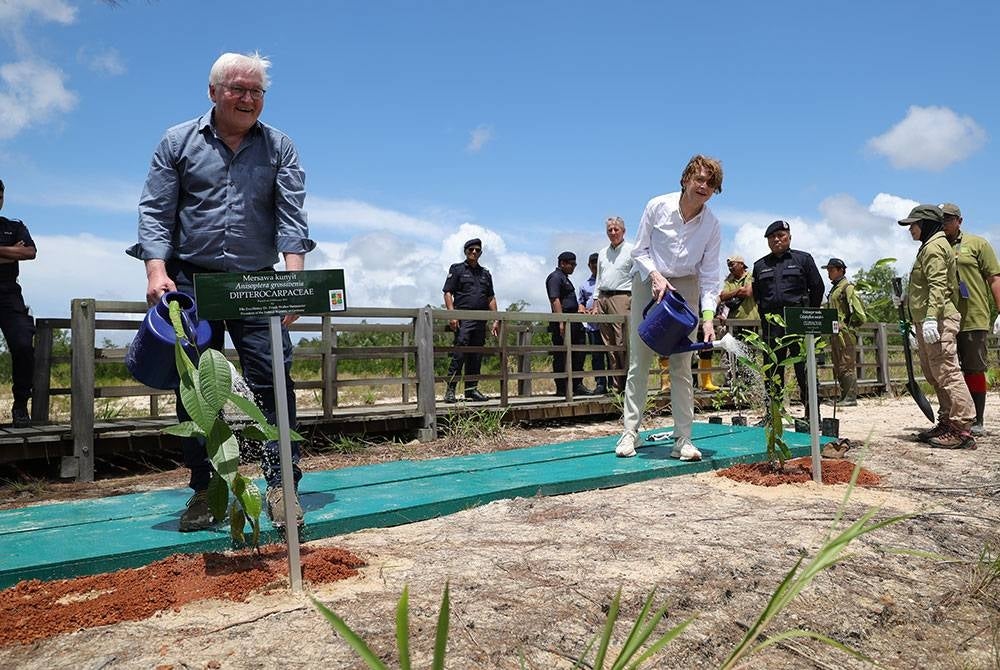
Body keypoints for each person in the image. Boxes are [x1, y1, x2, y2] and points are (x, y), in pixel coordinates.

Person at [127, 52, 315, 531]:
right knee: (196, 389)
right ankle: (205, 490)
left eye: (257, 91)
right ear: (213, 92)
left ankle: (281, 486)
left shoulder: (279, 147)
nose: (249, 99)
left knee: (274, 378)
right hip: (192, 280)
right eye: (238, 89)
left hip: (256, 280)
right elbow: (155, 210)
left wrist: (294, 279)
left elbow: (292, 219)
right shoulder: (177, 142)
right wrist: (155, 270)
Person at [615, 155, 723, 460]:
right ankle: (629, 433)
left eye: (711, 183)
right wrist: (655, 276)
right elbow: (638, 251)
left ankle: (683, 440)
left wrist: (708, 317)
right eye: (699, 179)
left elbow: (711, 275)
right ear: (686, 179)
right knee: (641, 358)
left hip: (686, 286)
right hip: (649, 280)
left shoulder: (712, 225)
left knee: (682, 365)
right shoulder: (656, 206)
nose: (704, 186)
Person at [898, 204, 976, 449]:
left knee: (948, 372)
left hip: (939, 318)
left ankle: (962, 429)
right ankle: (947, 422)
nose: (911, 228)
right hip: (928, 320)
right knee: (935, 374)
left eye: (914, 224)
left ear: (927, 223)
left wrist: (931, 317)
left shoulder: (933, 248)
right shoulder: (930, 246)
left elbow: (938, 286)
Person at [751, 221, 824, 418]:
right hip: (772, 324)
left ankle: (812, 415)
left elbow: (818, 288)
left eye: (781, 235)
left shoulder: (803, 259)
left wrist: (808, 314)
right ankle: (773, 416)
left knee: (805, 368)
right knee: (773, 371)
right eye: (772, 237)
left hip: (798, 320)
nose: (777, 240)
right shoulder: (760, 266)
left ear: (789, 237)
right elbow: (757, 295)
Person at [940, 203, 1000, 436]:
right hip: (945, 317)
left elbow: (994, 278)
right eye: (940, 219)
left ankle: (978, 420)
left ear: (959, 221)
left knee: (973, 368)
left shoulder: (978, 244)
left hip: (973, 316)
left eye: (948, 219)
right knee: (948, 370)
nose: (944, 223)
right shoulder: (936, 246)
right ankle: (953, 418)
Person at [442, 238, 500, 403]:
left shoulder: (485, 273)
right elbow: (447, 293)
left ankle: (471, 390)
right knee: (459, 354)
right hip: (464, 318)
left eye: (477, 250)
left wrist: (495, 319)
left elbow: (490, 297)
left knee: (476, 355)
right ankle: (451, 390)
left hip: (481, 319)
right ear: (465, 251)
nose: (474, 252)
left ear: (480, 253)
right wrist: (451, 315)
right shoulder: (457, 269)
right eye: (471, 250)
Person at [0, 179, 37, 428]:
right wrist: (10, 251)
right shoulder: (12, 235)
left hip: (8, 295)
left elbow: (30, 252)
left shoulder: (14, 226)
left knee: (24, 345)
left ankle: (21, 405)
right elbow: (19, 253)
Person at [594, 216, 633, 392]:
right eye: (610, 229)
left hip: (622, 296)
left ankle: (627, 384)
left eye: (616, 229)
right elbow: (599, 278)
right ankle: (615, 385)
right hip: (603, 296)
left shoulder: (631, 250)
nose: (613, 232)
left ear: (623, 231)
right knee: (608, 343)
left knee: (621, 341)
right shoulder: (602, 252)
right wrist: (596, 300)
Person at [821, 258, 867, 406]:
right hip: (835, 332)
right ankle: (843, 396)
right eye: (828, 270)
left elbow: (860, 315)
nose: (829, 273)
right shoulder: (835, 289)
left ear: (841, 270)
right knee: (838, 363)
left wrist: (848, 326)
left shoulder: (847, 288)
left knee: (846, 364)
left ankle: (850, 398)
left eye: (832, 270)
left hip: (845, 333)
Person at [546, 252, 591, 397]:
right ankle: (561, 388)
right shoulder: (555, 277)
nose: (573, 267)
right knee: (561, 355)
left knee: (579, 352)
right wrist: (561, 321)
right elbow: (555, 299)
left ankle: (576, 384)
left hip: (573, 320)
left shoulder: (565, 278)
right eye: (571, 264)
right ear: (562, 263)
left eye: (575, 264)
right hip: (563, 320)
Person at [579, 252, 608, 395]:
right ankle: (601, 383)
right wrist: (583, 309)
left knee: (611, 354)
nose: (595, 265)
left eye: (598, 262)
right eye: (593, 263)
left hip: (607, 325)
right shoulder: (585, 285)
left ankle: (616, 382)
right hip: (592, 326)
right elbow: (581, 303)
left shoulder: (607, 282)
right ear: (589, 265)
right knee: (597, 355)